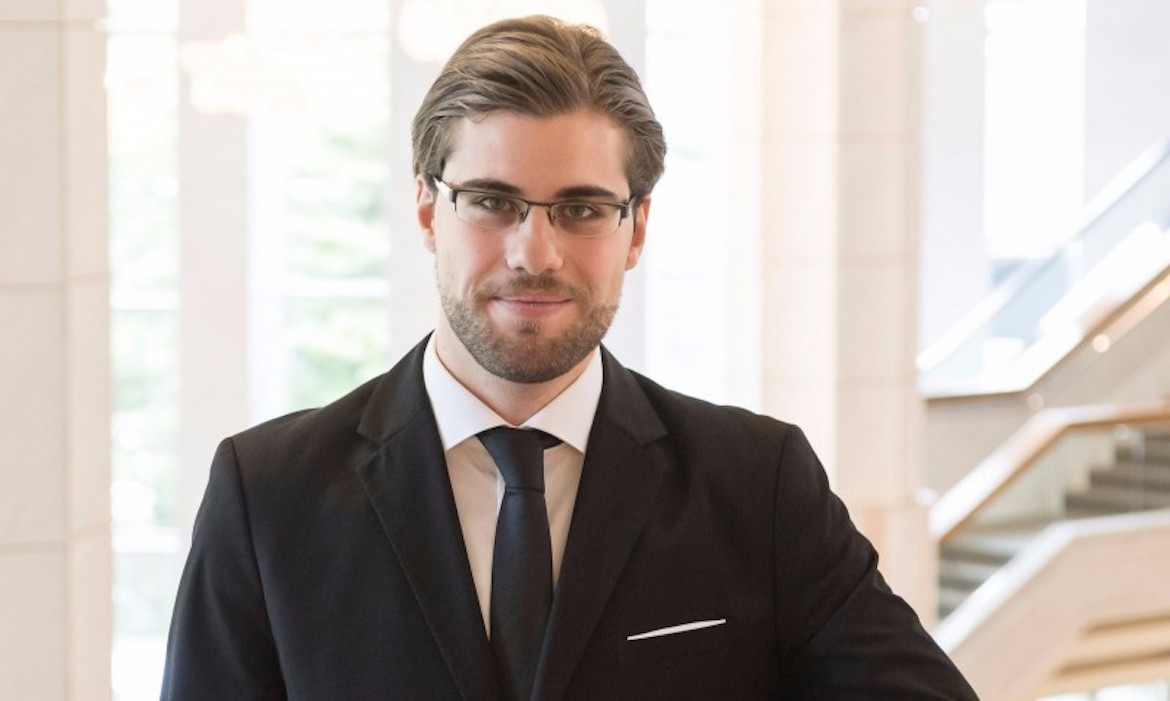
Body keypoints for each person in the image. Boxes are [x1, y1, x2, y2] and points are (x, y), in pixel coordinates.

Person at [162, 15, 979, 701]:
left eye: (582, 208)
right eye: (492, 201)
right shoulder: (267, 495)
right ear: (425, 208)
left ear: (639, 229)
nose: (534, 252)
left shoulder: (758, 484)